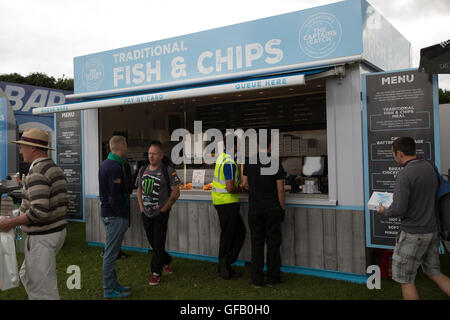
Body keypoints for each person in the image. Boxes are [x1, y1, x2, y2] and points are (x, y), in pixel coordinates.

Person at [377, 136, 450, 300]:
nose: (394, 157)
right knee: (435, 272)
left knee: (406, 280)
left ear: (400, 153)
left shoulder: (405, 174)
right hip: (432, 231)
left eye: (394, 154)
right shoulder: (430, 167)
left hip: (413, 235)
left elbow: (399, 208)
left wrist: (384, 210)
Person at [0, 128, 68, 300]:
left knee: (42, 291)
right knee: (28, 276)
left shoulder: (37, 171)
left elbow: (39, 211)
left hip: (42, 236)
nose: (20, 150)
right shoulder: (53, 167)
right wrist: (15, 214)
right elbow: (47, 204)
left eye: (22, 146)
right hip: (55, 232)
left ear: (33, 148)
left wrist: (11, 223)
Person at [241, 136, 286, 288]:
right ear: (270, 146)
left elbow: (244, 184)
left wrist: (255, 188)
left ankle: (257, 279)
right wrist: (282, 208)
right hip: (271, 208)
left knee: (256, 244)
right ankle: (273, 278)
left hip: (254, 208)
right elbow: (280, 188)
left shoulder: (249, 161)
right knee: (273, 243)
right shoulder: (274, 162)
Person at [137, 140, 180, 286]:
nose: (151, 156)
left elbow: (176, 192)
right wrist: (141, 208)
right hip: (146, 214)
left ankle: (155, 273)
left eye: (154, 154)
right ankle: (166, 260)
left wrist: (164, 209)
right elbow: (139, 190)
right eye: (149, 153)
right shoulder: (142, 170)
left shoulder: (168, 170)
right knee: (154, 244)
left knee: (158, 242)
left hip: (161, 214)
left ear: (161, 155)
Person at [98, 135, 132, 299]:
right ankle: (108, 290)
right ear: (122, 146)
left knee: (112, 251)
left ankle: (114, 285)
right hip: (114, 216)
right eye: (126, 145)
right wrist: (123, 215)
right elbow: (114, 196)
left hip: (108, 214)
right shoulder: (114, 167)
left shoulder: (106, 164)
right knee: (110, 254)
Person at [211, 134, 246, 280]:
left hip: (220, 201)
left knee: (229, 234)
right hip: (228, 202)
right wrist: (242, 188)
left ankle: (225, 265)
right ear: (235, 146)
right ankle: (226, 263)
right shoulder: (229, 162)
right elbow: (230, 187)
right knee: (236, 233)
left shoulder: (221, 158)